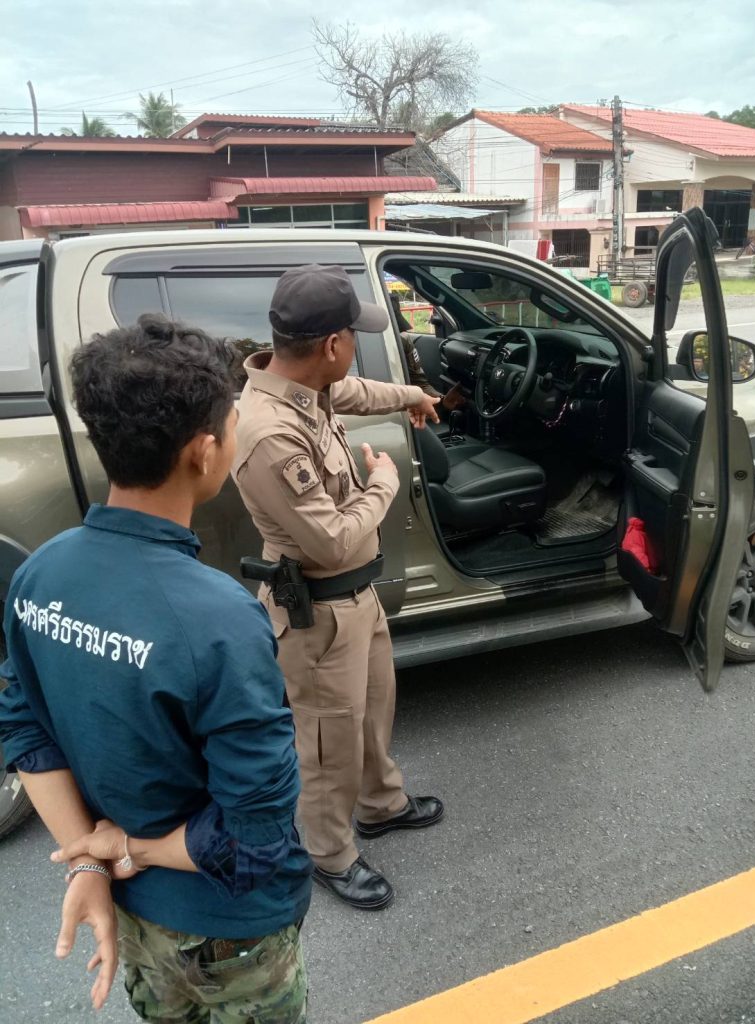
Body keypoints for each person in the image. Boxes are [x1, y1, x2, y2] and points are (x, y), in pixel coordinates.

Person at [0, 315, 312, 1022]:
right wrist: (122, 847)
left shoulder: (41, 573)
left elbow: (23, 725)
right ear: (205, 451)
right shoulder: (220, 619)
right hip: (229, 929)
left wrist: (88, 859)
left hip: (131, 907)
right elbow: (254, 841)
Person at [232, 264, 445, 911]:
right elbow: (330, 542)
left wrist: (411, 394)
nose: (355, 345)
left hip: (356, 595)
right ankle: (329, 852)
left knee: (374, 707)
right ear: (331, 343)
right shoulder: (270, 430)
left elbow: (357, 391)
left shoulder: (308, 387)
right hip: (317, 610)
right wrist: (385, 481)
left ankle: (381, 803)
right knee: (328, 741)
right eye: (353, 334)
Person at [389, 292, 465, 414]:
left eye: (398, 328)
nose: (400, 333)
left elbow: (420, 383)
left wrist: (442, 400)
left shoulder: (403, 339)